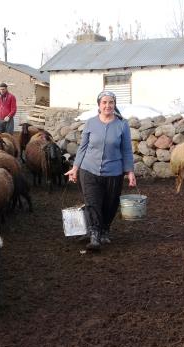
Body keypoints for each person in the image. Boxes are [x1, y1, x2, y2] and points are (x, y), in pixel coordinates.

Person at [64, 90, 136, 250]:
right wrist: (75, 168)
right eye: (104, 102)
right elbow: (82, 148)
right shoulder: (90, 123)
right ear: (99, 105)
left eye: (111, 102)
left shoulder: (122, 125)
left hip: (114, 172)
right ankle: (94, 234)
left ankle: (104, 230)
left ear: (114, 104)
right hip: (88, 170)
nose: (107, 105)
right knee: (92, 202)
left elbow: (126, 150)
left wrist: (130, 171)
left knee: (110, 204)